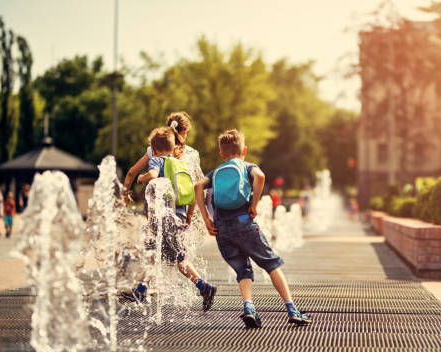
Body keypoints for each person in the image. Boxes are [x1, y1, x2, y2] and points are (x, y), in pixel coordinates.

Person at [194, 129, 311, 328]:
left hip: (223, 230)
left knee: (243, 270)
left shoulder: (216, 173)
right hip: (244, 224)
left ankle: (249, 307)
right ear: (244, 150)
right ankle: (292, 309)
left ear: (221, 154)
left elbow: (198, 186)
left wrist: (206, 219)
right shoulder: (247, 166)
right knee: (271, 264)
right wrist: (254, 205)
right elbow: (261, 177)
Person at [124, 126, 217, 309]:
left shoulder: (157, 160)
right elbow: (191, 192)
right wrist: (189, 216)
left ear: (154, 149)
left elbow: (151, 175)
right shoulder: (180, 163)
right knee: (154, 251)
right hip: (179, 215)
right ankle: (141, 289)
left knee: (177, 258)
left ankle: (203, 286)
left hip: (164, 217)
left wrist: (141, 179)